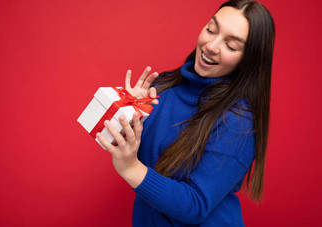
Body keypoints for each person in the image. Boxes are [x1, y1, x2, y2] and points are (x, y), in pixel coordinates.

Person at [96, 0, 275, 226]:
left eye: (231, 46)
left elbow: (196, 205)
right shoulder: (162, 87)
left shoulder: (238, 122)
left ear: (248, 60)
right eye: (211, 29)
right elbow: (134, 153)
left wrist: (130, 167)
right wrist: (128, 114)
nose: (211, 45)